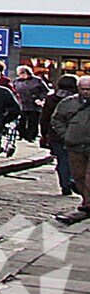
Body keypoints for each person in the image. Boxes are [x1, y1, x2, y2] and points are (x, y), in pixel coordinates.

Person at [43, 72, 82, 198]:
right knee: (75, 159)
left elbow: (45, 118)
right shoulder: (78, 100)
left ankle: (65, 184)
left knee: (62, 159)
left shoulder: (51, 99)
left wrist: (44, 133)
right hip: (76, 135)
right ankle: (72, 180)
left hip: (55, 134)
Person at [56, 79, 90, 222]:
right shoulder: (68, 103)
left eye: (89, 89)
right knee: (79, 176)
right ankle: (87, 200)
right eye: (84, 89)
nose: (86, 92)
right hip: (75, 146)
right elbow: (57, 120)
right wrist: (67, 135)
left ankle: (87, 205)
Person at [17, 65, 51, 141]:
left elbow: (45, 91)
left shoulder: (37, 80)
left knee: (33, 121)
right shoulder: (17, 81)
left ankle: (31, 136)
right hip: (22, 103)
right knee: (22, 121)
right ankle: (22, 134)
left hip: (34, 104)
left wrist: (40, 98)